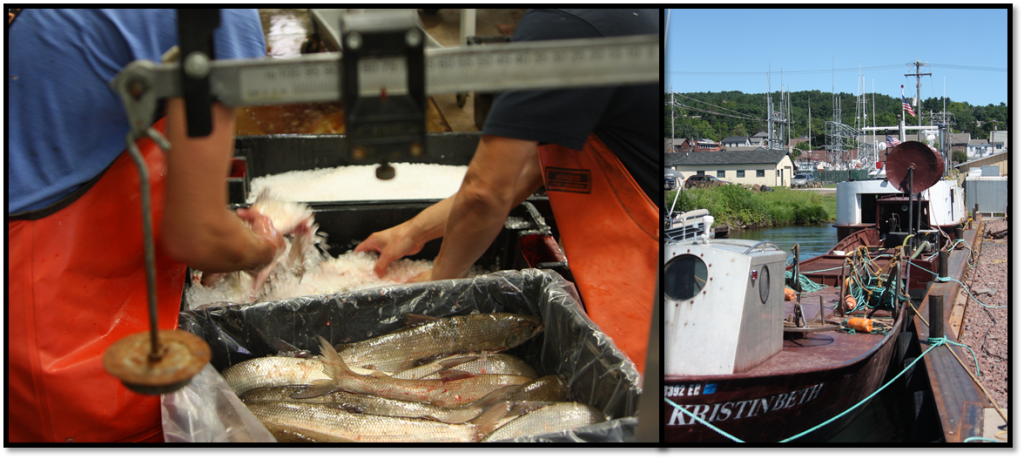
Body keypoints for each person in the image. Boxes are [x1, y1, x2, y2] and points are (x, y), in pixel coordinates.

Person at [9, 9, 279, 442]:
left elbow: (72, 148)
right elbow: (197, 234)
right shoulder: (218, 17)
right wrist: (263, 247)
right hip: (56, 325)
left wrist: (206, 216)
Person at [356, 9, 658, 373]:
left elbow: (485, 191)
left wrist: (440, 281)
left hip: (649, 295)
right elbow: (523, 173)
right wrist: (413, 231)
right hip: (629, 280)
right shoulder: (596, 19)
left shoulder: (561, 25)